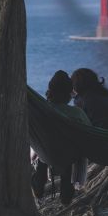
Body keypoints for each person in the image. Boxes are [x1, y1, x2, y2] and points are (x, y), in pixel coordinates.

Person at [31, 70, 90, 205]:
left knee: (43, 149)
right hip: (68, 156)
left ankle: (38, 186)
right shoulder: (76, 113)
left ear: (50, 90)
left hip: (45, 153)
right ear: (69, 94)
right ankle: (66, 198)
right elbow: (90, 131)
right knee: (70, 154)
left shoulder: (41, 110)